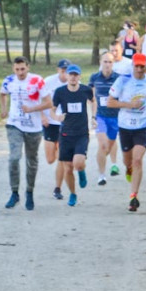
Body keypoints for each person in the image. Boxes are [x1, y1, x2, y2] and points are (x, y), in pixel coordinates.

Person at [109, 53, 146, 212]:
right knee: (128, 162)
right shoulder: (122, 80)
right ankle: (128, 169)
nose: (139, 69)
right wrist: (129, 104)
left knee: (137, 160)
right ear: (132, 66)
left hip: (142, 126)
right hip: (125, 126)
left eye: (142, 66)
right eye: (136, 66)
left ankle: (133, 196)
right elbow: (110, 102)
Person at [0, 56, 45, 210]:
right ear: (13, 69)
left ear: (28, 67)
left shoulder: (37, 81)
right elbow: (2, 93)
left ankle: (29, 192)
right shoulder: (9, 81)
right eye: (17, 69)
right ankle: (14, 192)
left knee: (31, 161)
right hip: (14, 125)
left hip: (33, 127)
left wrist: (32, 109)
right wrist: (4, 109)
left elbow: (49, 102)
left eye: (23, 69)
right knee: (14, 158)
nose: (20, 72)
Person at [51, 65, 94, 206]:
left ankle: (81, 171)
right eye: (71, 75)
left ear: (79, 77)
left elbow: (94, 101)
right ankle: (73, 194)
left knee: (78, 163)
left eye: (76, 75)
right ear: (67, 76)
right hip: (65, 134)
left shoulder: (85, 90)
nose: (73, 77)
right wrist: (57, 118)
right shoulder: (60, 92)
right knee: (68, 167)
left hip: (81, 133)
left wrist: (94, 116)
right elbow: (52, 109)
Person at [89, 52, 122, 184]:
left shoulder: (118, 78)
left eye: (110, 62)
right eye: (105, 61)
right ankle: (101, 175)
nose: (107, 65)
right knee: (102, 145)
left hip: (115, 117)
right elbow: (91, 99)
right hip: (101, 116)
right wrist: (93, 116)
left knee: (108, 147)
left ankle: (108, 163)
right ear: (100, 62)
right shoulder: (94, 77)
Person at [41, 59, 70, 199]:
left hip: (65, 124)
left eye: (67, 71)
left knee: (62, 158)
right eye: (62, 70)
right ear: (58, 70)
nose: (65, 74)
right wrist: (42, 116)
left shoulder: (74, 83)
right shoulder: (48, 82)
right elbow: (39, 99)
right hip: (50, 123)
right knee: (50, 159)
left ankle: (57, 189)